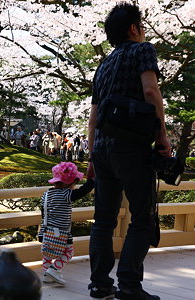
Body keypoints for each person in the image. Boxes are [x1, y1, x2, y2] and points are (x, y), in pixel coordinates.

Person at [87, 3, 171, 300]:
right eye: (142, 25)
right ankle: (130, 287)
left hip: (102, 149)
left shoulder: (103, 65)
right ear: (134, 29)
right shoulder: (142, 50)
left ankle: (99, 284)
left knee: (104, 219)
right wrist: (162, 135)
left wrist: (91, 156)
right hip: (131, 147)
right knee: (143, 218)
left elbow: (94, 114)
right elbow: (150, 91)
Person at [38, 162, 95, 285]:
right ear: (68, 183)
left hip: (47, 230)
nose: (75, 186)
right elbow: (82, 192)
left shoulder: (46, 194)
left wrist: (41, 232)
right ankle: (54, 269)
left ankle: (46, 275)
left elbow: (44, 214)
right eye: (74, 183)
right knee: (69, 252)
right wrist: (92, 181)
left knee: (47, 254)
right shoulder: (66, 194)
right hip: (62, 232)